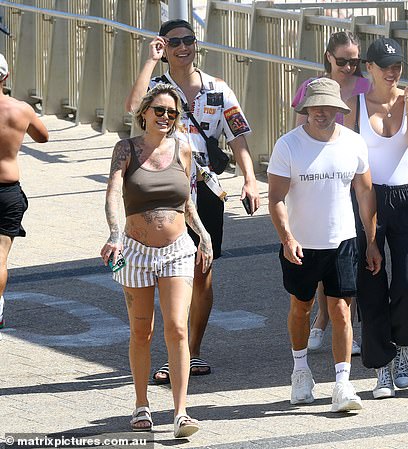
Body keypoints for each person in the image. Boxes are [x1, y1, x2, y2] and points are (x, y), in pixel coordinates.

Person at [125, 19, 261, 383]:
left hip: (206, 192)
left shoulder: (218, 88)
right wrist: (150, 62)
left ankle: (192, 350)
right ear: (163, 46)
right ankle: (176, 349)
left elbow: (238, 138)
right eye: (174, 42)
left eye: (189, 40)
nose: (183, 47)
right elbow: (132, 107)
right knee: (169, 274)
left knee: (202, 272)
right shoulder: (157, 88)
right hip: (163, 191)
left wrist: (250, 180)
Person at [101, 84, 213, 437]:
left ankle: (181, 411)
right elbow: (113, 195)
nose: (165, 117)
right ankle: (141, 403)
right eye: (160, 110)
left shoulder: (183, 150)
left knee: (177, 328)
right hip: (135, 250)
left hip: (177, 249)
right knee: (141, 330)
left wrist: (203, 234)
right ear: (145, 113)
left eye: (172, 113)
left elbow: (187, 200)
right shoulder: (126, 150)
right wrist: (115, 235)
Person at [268, 78, 381, 411]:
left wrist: (371, 241)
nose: (321, 112)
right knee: (301, 308)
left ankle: (343, 385)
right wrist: (287, 238)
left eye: (328, 106)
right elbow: (274, 198)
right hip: (301, 244)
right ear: (306, 109)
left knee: (342, 312)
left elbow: (365, 193)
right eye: (315, 106)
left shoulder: (354, 143)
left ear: (338, 109)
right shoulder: (288, 145)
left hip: (343, 240)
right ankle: (300, 370)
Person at [344, 37, 408, 399]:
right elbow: (346, 155)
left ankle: (403, 346)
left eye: (397, 66)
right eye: (385, 66)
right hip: (366, 197)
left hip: (406, 196)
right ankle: (381, 366)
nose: (393, 72)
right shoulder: (355, 104)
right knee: (371, 284)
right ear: (370, 68)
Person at [291, 31, 370, 355]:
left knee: (350, 258)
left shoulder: (366, 87)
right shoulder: (311, 89)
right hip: (322, 180)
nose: (350, 67)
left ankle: (343, 324)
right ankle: (324, 318)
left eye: (355, 61)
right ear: (328, 57)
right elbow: (295, 134)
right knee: (324, 254)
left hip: (358, 177)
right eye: (343, 61)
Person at [0, 53, 49, 330]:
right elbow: (42, 136)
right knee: (1, 257)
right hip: (7, 190)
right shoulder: (21, 109)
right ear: (6, 77)